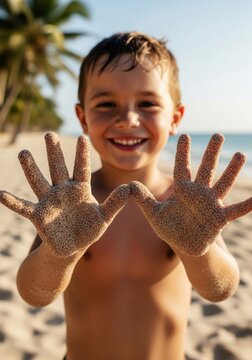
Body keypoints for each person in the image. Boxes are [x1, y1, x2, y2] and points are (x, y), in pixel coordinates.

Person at [0, 31, 252, 360]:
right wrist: (57, 256)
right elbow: (35, 294)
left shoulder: (187, 204)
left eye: (147, 103)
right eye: (106, 104)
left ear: (175, 118)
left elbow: (220, 289)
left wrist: (199, 254)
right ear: (83, 118)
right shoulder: (70, 205)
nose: (127, 119)